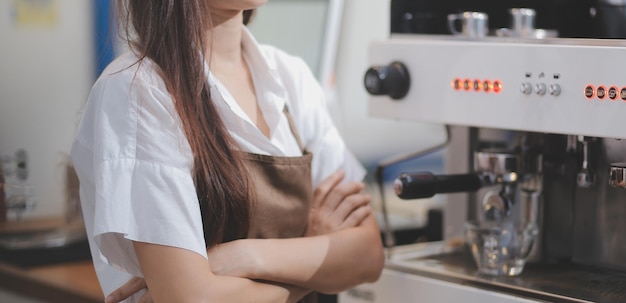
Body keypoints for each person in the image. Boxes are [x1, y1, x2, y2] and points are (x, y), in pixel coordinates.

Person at [70, 0, 385, 302]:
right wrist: (313, 261)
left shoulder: (292, 78)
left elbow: (368, 255)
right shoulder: (138, 90)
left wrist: (243, 256)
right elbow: (194, 299)